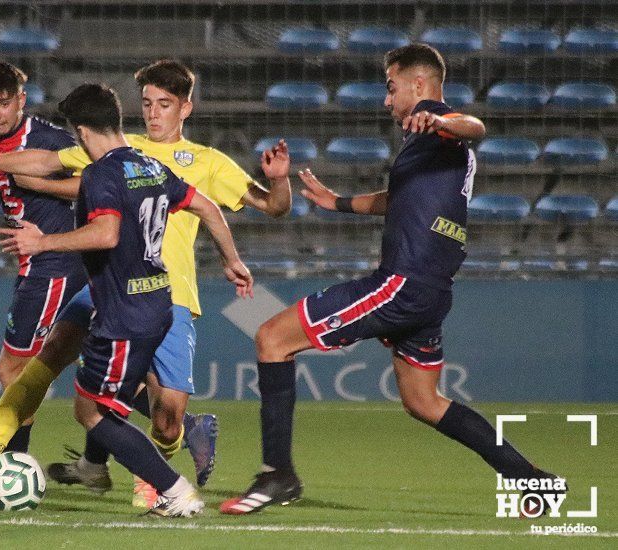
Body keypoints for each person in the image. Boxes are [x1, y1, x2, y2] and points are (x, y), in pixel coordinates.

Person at [220, 43, 561, 515]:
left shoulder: (440, 127)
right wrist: (336, 202)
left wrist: (441, 121)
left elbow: (475, 126)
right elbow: (395, 198)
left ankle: (278, 473)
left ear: (418, 85)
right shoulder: (424, 146)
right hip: (429, 292)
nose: (386, 99)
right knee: (423, 401)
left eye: (391, 86)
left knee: (272, 338)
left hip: (401, 284)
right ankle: (534, 480)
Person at [0, 60, 291, 505]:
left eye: (164, 104)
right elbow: (48, 161)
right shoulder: (123, 149)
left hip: (166, 296)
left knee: (162, 414)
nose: (154, 113)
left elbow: (268, 207)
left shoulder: (202, 162)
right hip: (106, 288)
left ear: (186, 109)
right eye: (147, 103)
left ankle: (158, 473)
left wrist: (275, 189)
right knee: (46, 365)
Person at [0, 59, 87, 453]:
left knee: (12, 369)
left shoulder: (49, 140)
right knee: (93, 374)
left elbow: (92, 183)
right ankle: (185, 426)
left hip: (56, 264)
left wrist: (42, 186)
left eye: (3, 103)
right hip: (37, 264)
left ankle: (9, 462)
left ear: (22, 101)